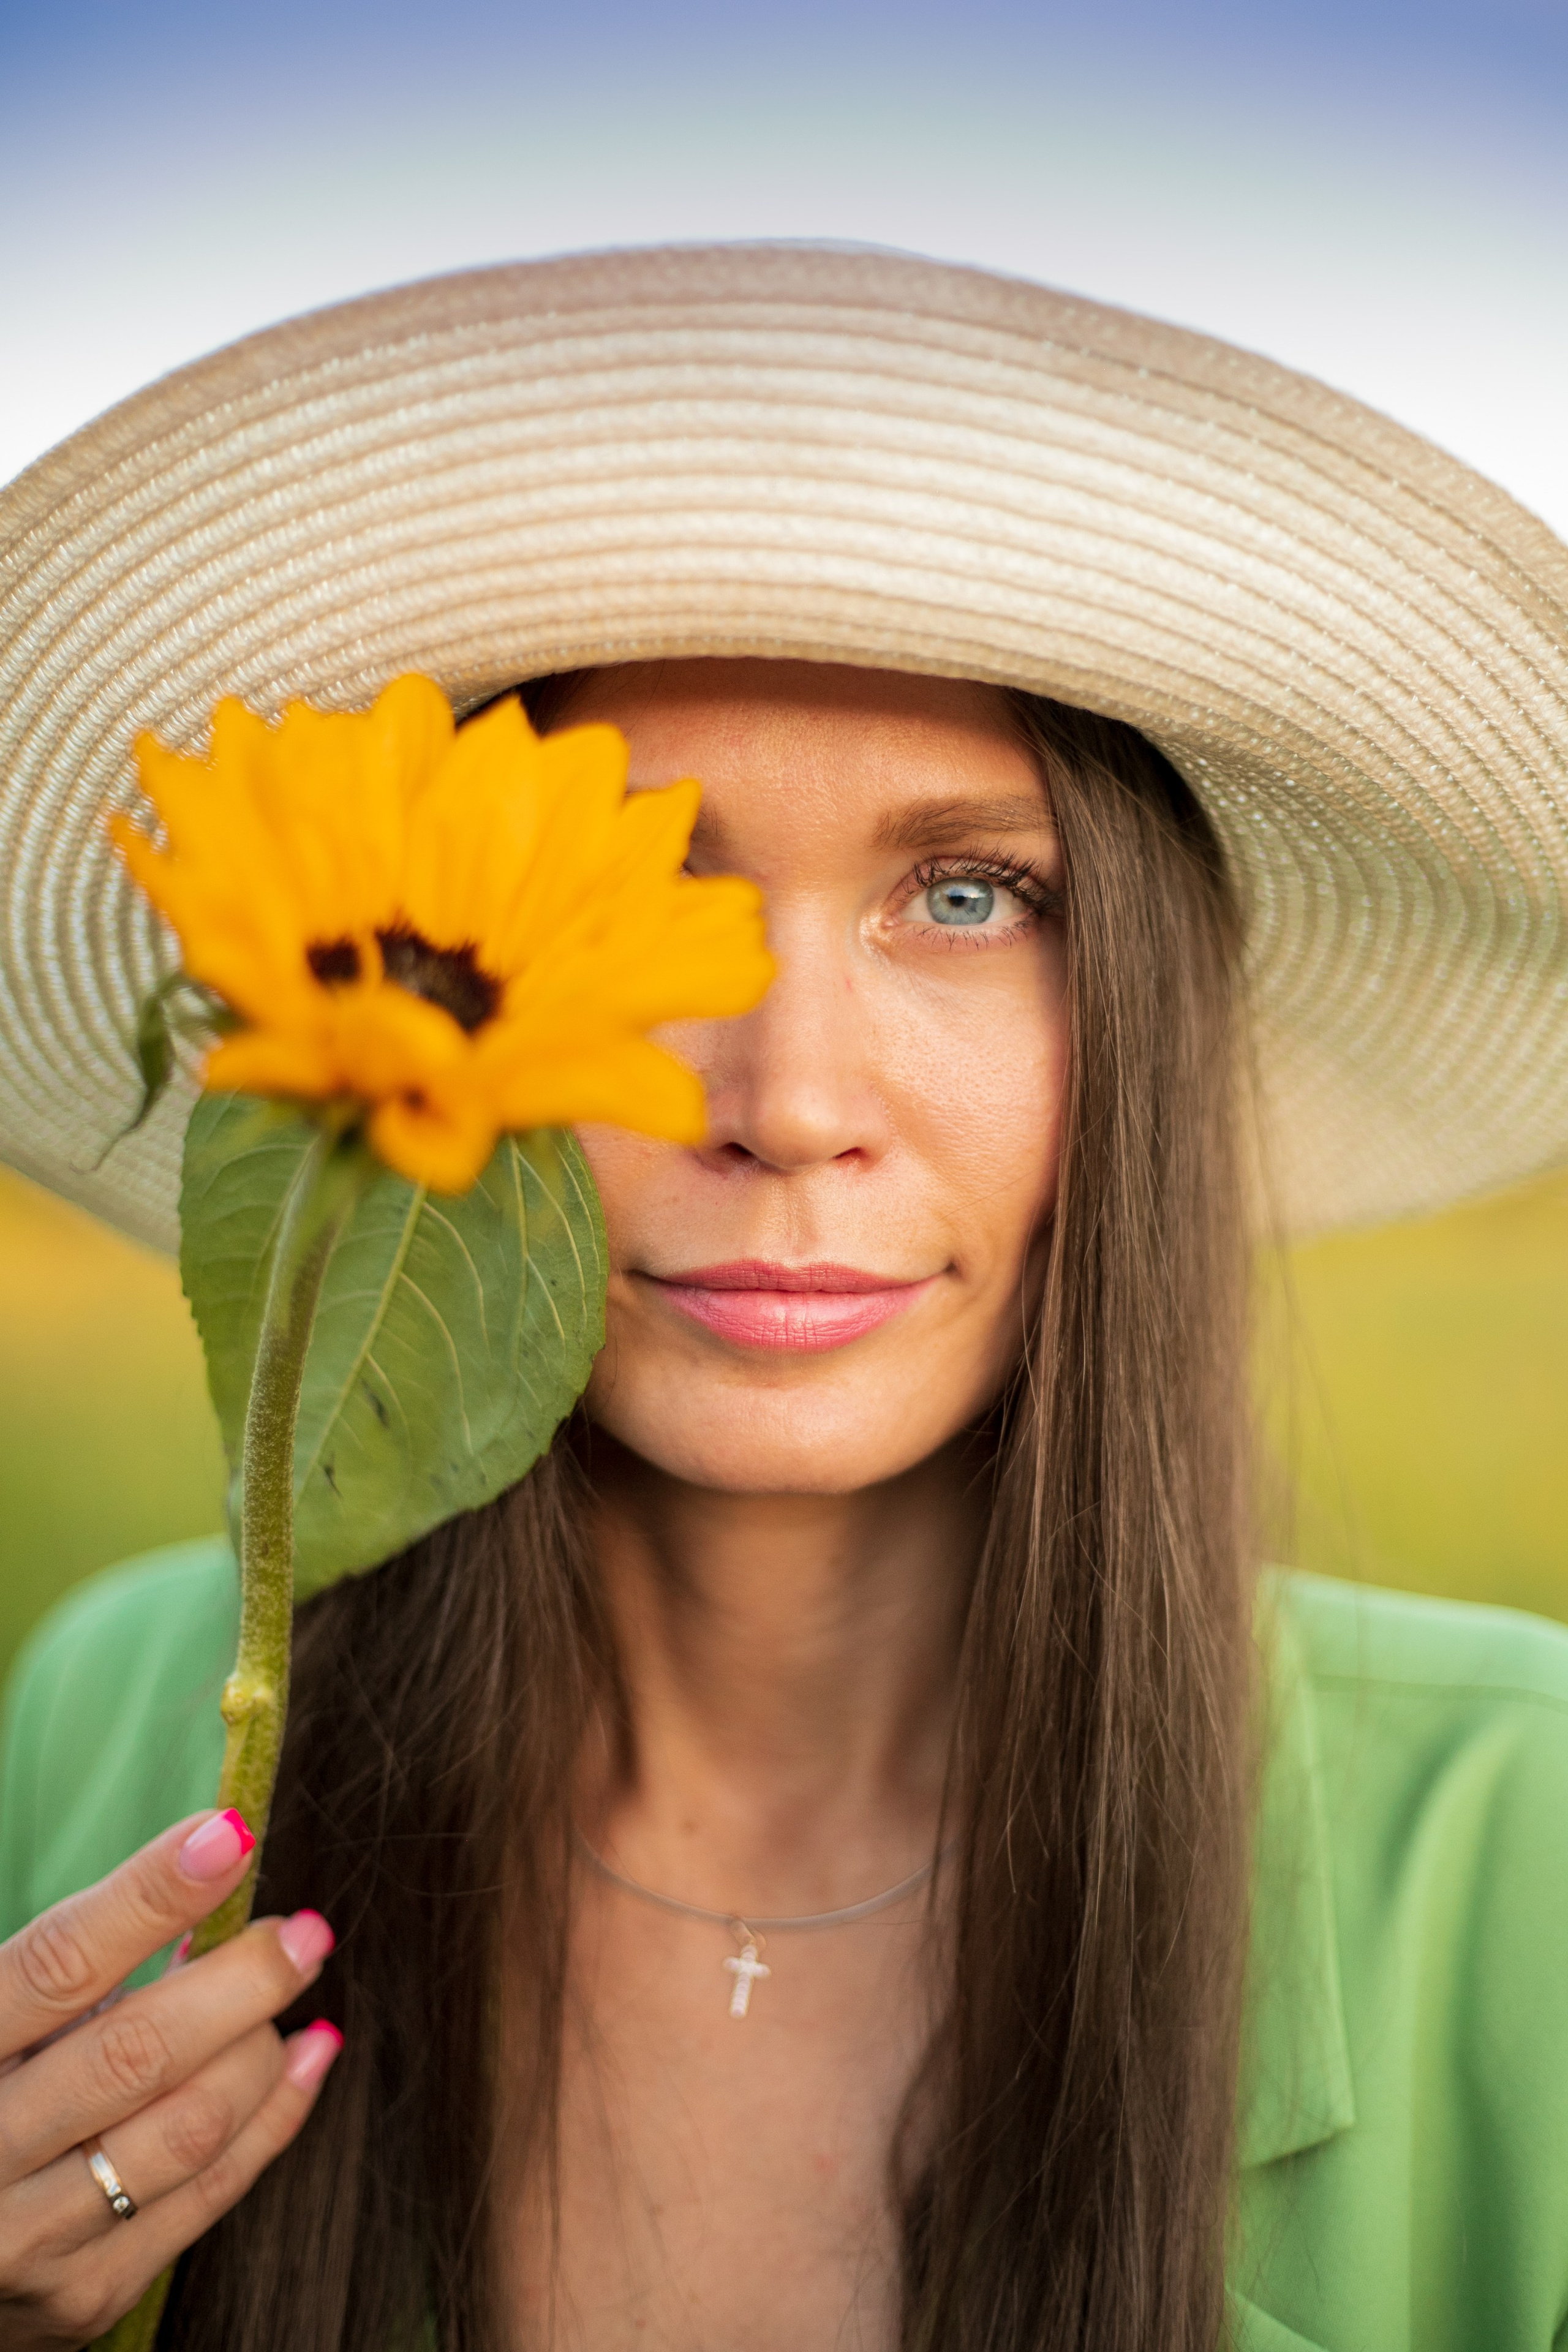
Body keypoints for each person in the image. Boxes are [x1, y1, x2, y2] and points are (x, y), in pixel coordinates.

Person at [1, 245, 1566, 2352]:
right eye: (660, 894)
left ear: (1147, 1002)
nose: (795, 1104)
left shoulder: (1523, 1859)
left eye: (966, 895)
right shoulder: (114, 1726)